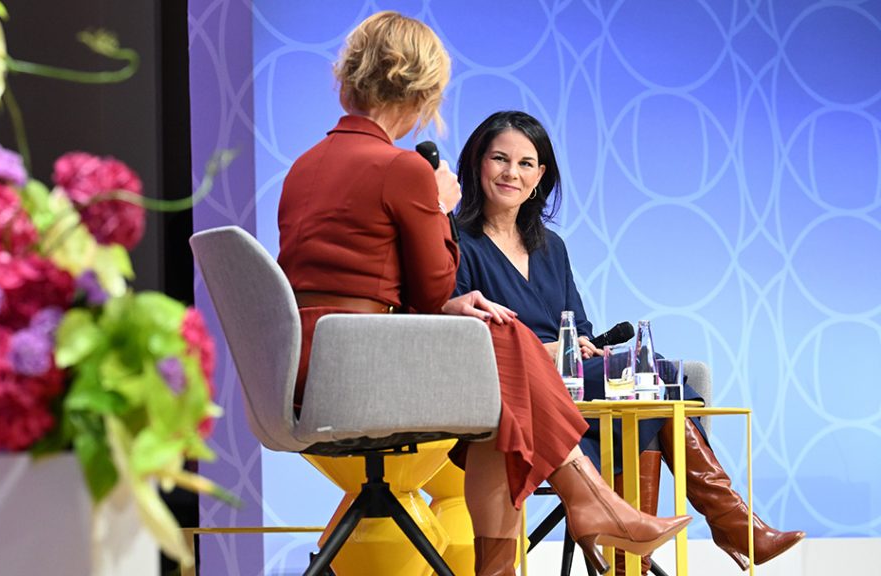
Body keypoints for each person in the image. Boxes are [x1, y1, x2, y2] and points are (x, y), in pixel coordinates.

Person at [277, 12, 690, 576]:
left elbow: (374, 285)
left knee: (503, 408)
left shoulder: (303, 166)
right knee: (506, 335)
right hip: (364, 375)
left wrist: (449, 304)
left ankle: (560, 527)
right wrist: (438, 203)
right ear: (422, 91)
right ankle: (593, 501)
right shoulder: (402, 170)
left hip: (307, 369)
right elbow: (430, 291)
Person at [451, 110, 805, 574]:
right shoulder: (457, 240)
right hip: (513, 394)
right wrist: (550, 352)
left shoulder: (550, 246)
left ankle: (704, 528)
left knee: (653, 383)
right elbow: (461, 341)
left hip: (572, 386)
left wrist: (583, 348)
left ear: (540, 177)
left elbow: (576, 324)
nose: (511, 173)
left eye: (525, 163)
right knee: (656, 378)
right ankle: (725, 525)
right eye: (499, 159)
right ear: (477, 164)